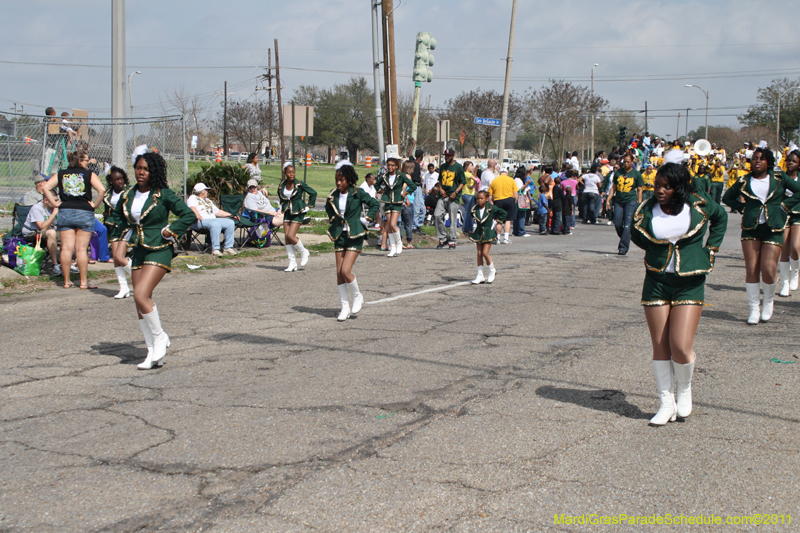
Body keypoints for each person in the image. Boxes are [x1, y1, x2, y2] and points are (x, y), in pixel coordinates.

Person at [631, 162, 727, 426]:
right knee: (660, 345)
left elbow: (721, 217)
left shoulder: (698, 204)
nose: (660, 191)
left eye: (667, 186)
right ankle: (665, 403)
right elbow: (637, 236)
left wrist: (711, 248)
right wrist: (658, 252)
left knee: (681, 346)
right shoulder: (646, 209)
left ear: (680, 187)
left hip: (690, 281)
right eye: (657, 185)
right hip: (656, 280)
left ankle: (684, 390)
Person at [109, 151, 196, 369]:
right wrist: (119, 237)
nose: (141, 172)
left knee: (140, 294)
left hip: (159, 248)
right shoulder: (127, 195)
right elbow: (118, 218)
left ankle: (159, 338)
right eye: (138, 168)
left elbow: (188, 215)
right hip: (138, 249)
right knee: (139, 301)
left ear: (154, 171)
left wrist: (171, 231)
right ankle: (151, 351)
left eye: (146, 169)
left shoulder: (163, 194)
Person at [723, 147, 800, 324]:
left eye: (761, 158)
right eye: (754, 158)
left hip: (774, 227)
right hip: (751, 228)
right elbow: (727, 198)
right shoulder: (743, 180)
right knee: (751, 268)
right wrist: (745, 209)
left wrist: (785, 206)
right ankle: (753, 309)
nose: (757, 161)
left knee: (768, 267)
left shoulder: (779, 178)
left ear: (768, 162)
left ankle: (768, 301)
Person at [42, 150, 105, 289]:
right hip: (84, 211)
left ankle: (66, 281)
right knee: (81, 249)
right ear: (80, 161)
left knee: (66, 248)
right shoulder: (89, 174)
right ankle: (83, 282)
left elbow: (45, 187)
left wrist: (54, 203)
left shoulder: (61, 173)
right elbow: (101, 190)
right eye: (86, 160)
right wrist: (95, 204)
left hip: (65, 211)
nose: (88, 163)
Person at [325, 161, 380, 321]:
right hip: (339, 235)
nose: (338, 183)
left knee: (345, 270)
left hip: (355, 234)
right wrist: (333, 220)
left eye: (341, 180)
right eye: (337, 180)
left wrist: (367, 219)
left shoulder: (358, 192)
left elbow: (374, 203)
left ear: (348, 179)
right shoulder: (333, 194)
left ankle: (357, 296)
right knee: (339, 273)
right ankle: (344, 307)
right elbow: (330, 208)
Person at [277, 163, 317, 271]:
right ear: (285, 173)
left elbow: (313, 193)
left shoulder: (299, 184)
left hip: (298, 211)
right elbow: (280, 196)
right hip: (287, 212)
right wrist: (281, 206)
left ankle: (304, 252)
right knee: (286, 237)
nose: (292, 174)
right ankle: (292, 263)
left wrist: (309, 206)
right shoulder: (282, 185)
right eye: (289, 172)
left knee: (291, 235)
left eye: (293, 172)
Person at [103, 166, 133, 299]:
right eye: (116, 180)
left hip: (127, 226)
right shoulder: (107, 194)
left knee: (121, 257)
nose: (119, 182)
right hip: (114, 227)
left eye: (121, 179)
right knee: (116, 258)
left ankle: (139, 276)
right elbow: (106, 212)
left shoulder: (130, 191)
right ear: (111, 181)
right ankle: (124, 287)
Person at [186, 183, 239, 257]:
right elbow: (192, 207)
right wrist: (197, 214)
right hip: (199, 221)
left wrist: (231, 215)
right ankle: (215, 249)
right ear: (202, 192)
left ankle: (228, 248)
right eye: (207, 190)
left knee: (230, 223)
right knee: (215, 224)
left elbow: (217, 212)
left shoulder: (208, 200)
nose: (208, 192)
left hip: (212, 219)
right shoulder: (193, 198)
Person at [376, 158, 415, 257]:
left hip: (397, 201)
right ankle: (392, 248)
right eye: (388, 165)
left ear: (397, 166)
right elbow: (376, 184)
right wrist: (381, 191)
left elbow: (413, 186)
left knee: (393, 224)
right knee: (389, 225)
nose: (390, 167)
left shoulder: (401, 176)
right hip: (388, 201)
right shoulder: (385, 176)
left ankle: (399, 242)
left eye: (392, 165)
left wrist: (405, 193)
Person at [606, 153, 643, 255]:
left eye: (628, 162)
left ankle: (623, 247)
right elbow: (613, 187)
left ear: (632, 162)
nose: (626, 164)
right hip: (618, 201)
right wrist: (608, 199)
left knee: (627, 225)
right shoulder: (618, 173)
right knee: (617, 223)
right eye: (624, 162)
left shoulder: (636, 174)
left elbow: (640, 190)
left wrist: (639, 203)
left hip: (630, 201)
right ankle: (625, 237)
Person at [21, 196, 69, 275]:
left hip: (48, 232)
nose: (57, 202)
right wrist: (54, 213)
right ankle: (55, 265)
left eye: (58, 200)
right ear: (46, 200)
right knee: (51, 233)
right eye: (55, 200)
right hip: (32, 233)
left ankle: (67, 263)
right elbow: (42, 228)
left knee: (66, 233)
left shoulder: (54, 207)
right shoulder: (37, 208)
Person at [469, 189, 506, 284]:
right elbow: (473, 218)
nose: (479, 200)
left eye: (481, 198)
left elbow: (503, 213)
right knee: (479, 253)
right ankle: (480, 275)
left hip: (488, 232)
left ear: (486, 199)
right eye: (478, 198)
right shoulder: (474, 209)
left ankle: (492, 270)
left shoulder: (492, 207)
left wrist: (496, 222)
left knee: (485, 253)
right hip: (479, 232)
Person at [778, 150, 800, 297]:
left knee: (795, 247)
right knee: (784, 250)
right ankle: (784, 282)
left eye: (794, 161)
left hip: (798, 214)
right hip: (783, 215)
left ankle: (795, 273)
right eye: (789, 160)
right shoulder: (780, 178)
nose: (790, 163)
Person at [434, 148, 466, 249]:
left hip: (453, 196)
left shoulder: (458, 167)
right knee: (437, 215)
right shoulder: (443, 166)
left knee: (453, 219)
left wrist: (456, 192)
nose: (446, 157)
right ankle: (443, 238)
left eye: (448, 156)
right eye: (445, 155)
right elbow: (440, 180)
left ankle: (452, 240)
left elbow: (462, 182)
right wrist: (441, 189)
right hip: (443, 195)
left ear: (452, 156)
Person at [488, 168, 517, 244]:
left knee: (498, 219)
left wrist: (490, 203)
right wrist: (515, 201)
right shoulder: (511, 180)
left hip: (498, 200)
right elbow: (516, 193)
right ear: (507, 173)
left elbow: (490, 195)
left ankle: (497, 238)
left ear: (500, 173)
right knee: (508, 219)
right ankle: (506, 238)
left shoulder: (494, 181)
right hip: (510, 200)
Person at [407, 146, 426, 233]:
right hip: (416, 187)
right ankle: (414, 227)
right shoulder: (416, 165)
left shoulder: (411, 161)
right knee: (417, 208)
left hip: (418, 188)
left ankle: (418, 225)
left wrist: (413, 145)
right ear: (421, 156)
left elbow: (410, 154)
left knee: (423, 208)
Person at [461, 161, 477, 234]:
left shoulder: (469, 173)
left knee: (470, 212)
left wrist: (475, 170)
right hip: (467, 194)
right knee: (468, 212)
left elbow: (474, 177)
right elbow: (475, 179)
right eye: (470, 166)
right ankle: (465, 228)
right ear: (466, 167)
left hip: (470, 193)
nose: (472, 167)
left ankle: (469, 228)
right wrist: (473, 186)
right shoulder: (466, 173)